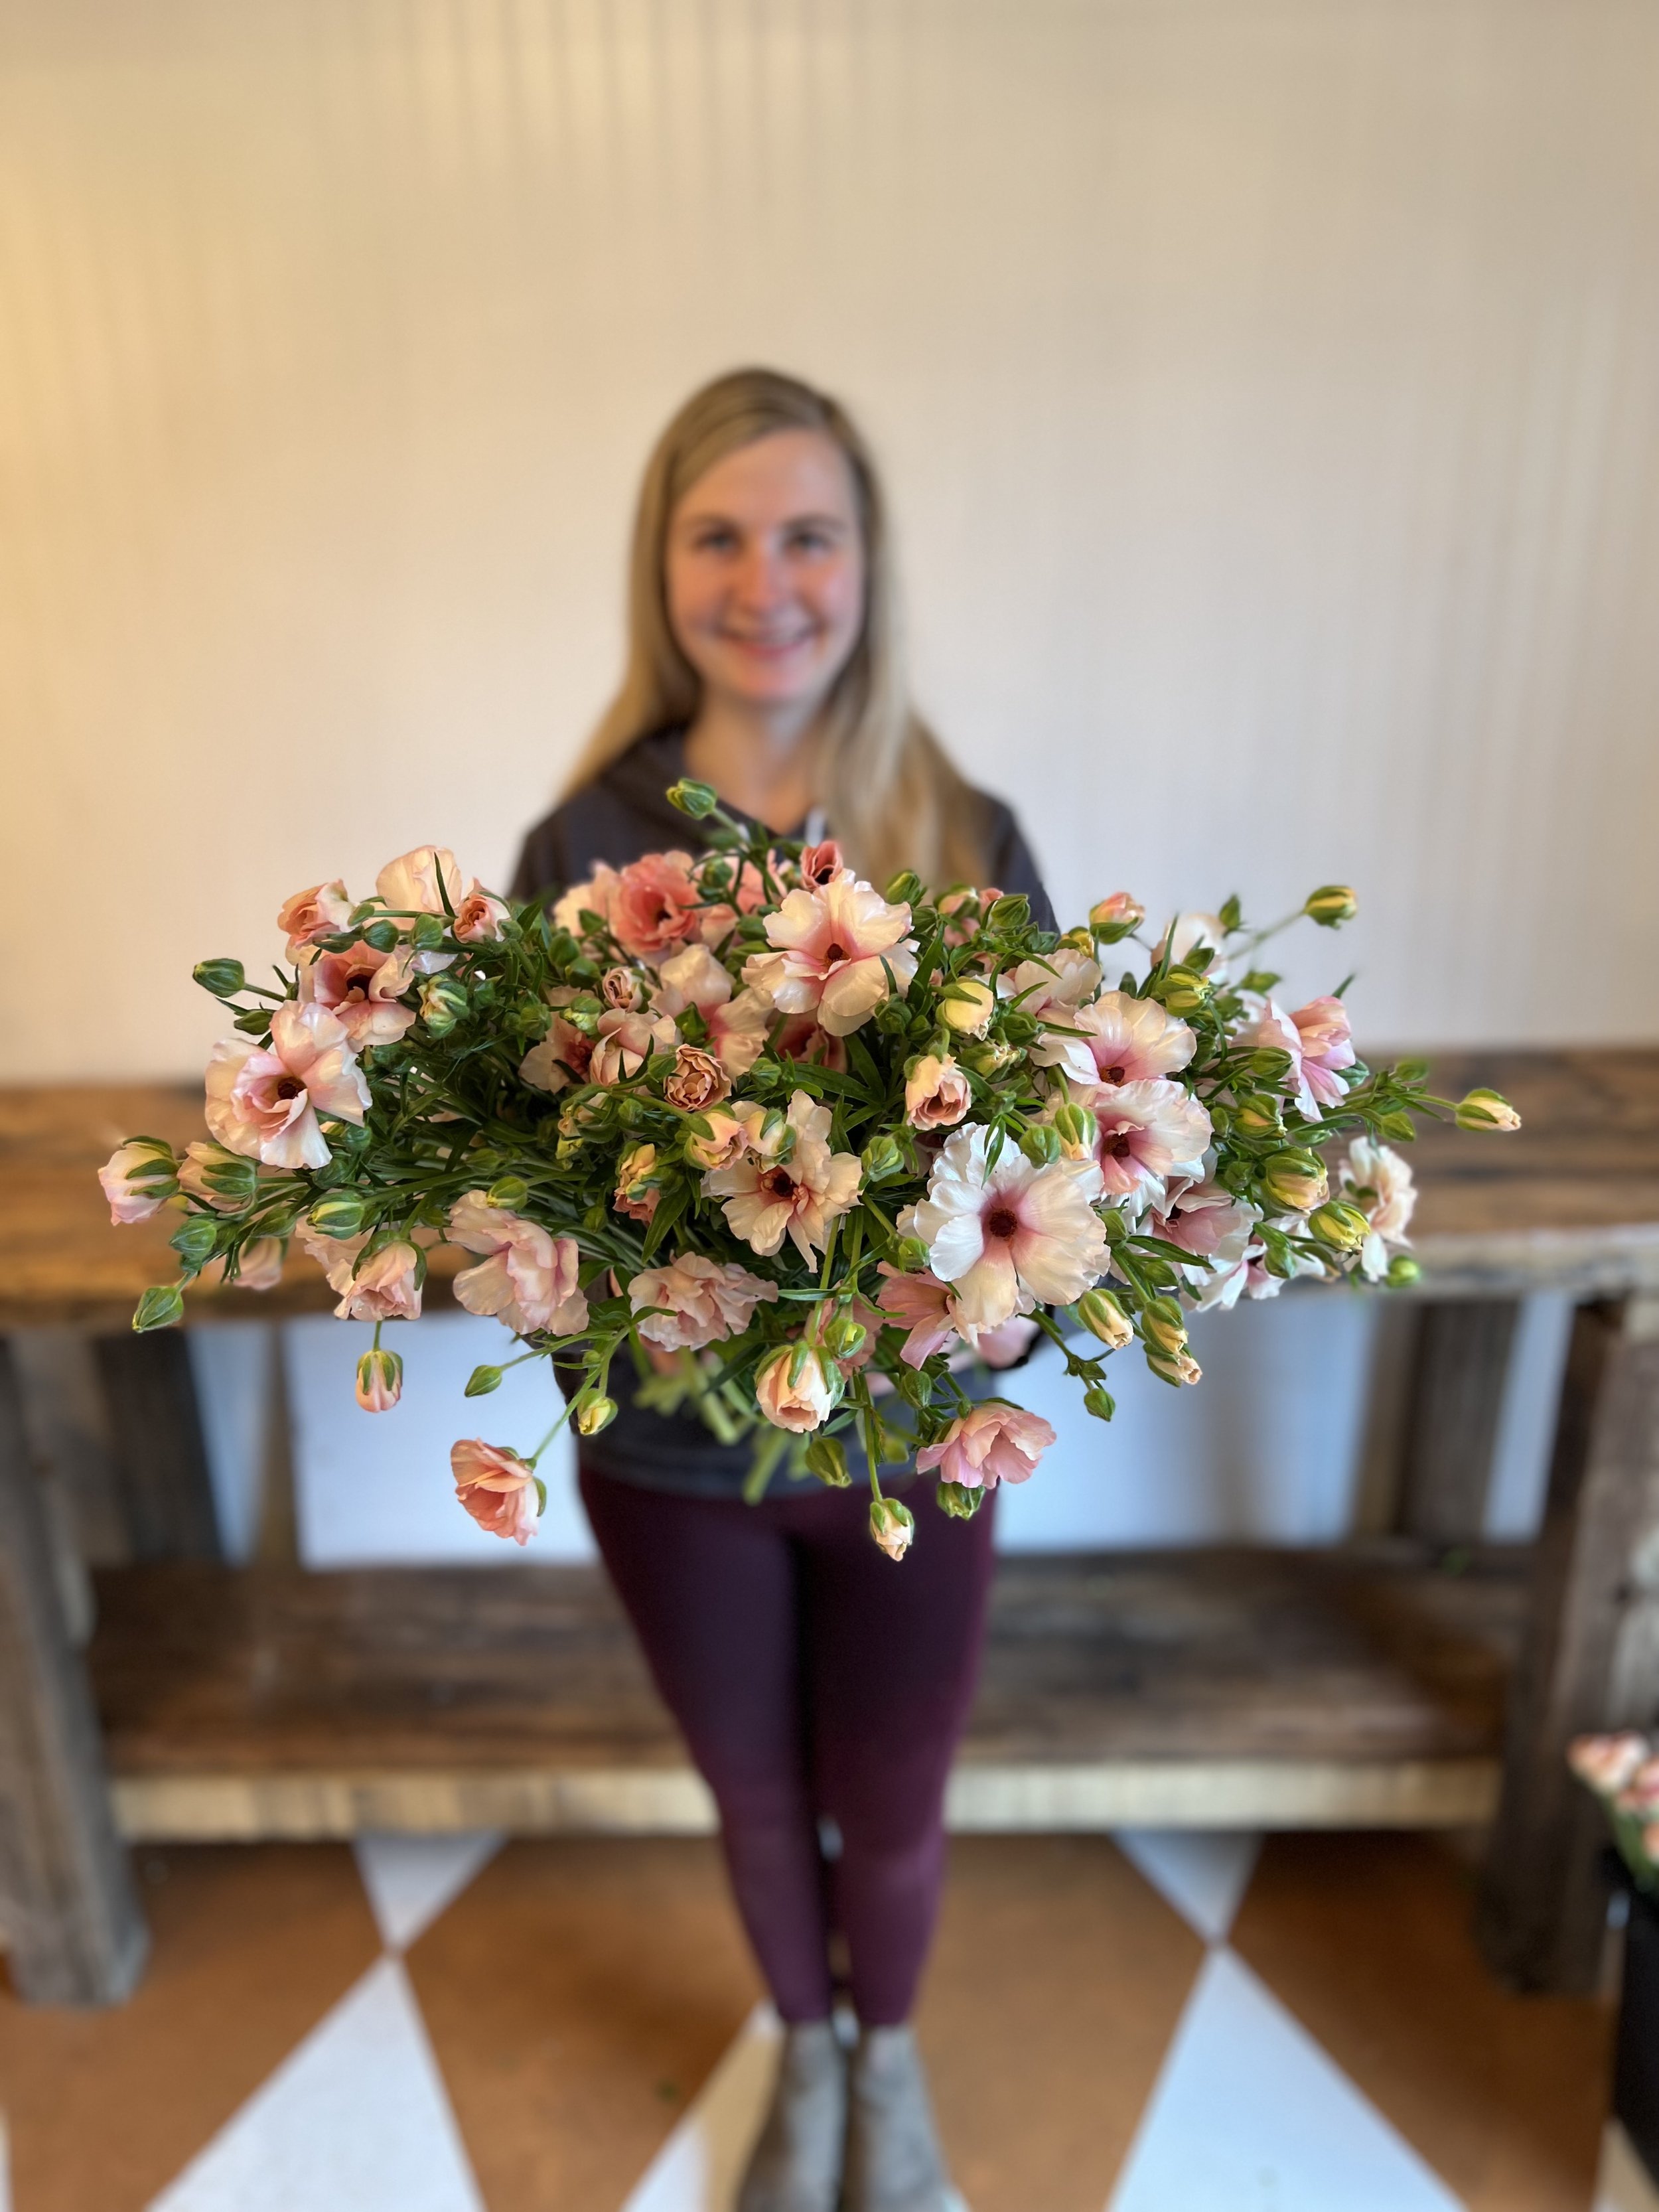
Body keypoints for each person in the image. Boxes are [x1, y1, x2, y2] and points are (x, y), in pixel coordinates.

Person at [512, 368, 1054, 2212]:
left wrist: (997, 1327)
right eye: (718, 535)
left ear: (866, 561)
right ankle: (805, 2063)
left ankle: (884, 2071)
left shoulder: (963, 835)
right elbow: (529, 1177)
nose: (766, 582)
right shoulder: (583, 850)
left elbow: (1051, 1184)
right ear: (659, 565)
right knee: (755, 1800)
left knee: (891, 1807)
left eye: (806, 533)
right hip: (676, 1459)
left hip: (910, 1449)